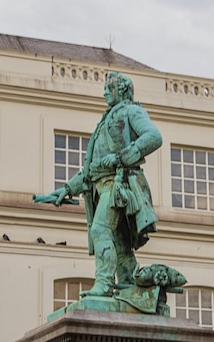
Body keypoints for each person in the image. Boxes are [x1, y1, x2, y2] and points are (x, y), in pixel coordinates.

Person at [33, 71, 162, 297]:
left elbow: (154, 136)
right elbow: (92, 169)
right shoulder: (107, 119)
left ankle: (104, 284)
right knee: (120, 245)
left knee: (100, 229)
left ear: (122, 91)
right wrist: (66, 189)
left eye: (108, 88)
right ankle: (132, 287)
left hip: (118, 185)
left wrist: (122, 157)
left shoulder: (132, 111)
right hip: (102, 186)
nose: (104, 92)